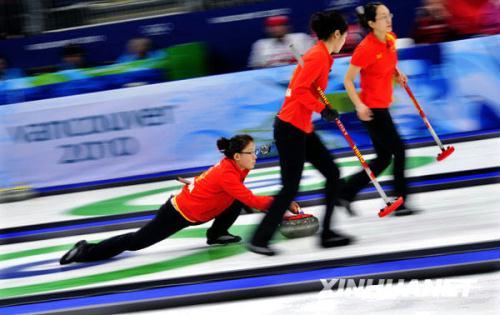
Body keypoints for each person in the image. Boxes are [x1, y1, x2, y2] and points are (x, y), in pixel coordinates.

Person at [60, 134, 299, 265]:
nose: (255, 155)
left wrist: (286, 139)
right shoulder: (228, 174)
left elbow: (263, 151)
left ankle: (217, 234)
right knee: (135, 242)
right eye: (251, 152)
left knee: (234, 200)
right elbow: (253, 200)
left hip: (202, 207)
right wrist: (282, 202)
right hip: (178, 214)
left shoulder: (239, 160)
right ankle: (85, 251)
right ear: (237, 156)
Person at [248, 10, 354, 256]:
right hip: (290, 129)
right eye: (344, 35)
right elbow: (298, 92)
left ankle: (327, 233)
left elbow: (309, 89)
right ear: (336, 34)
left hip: (302, 127)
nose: (345, 39)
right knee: (290, 187)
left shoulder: (324, 57)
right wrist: (322, 108)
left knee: (333, 174)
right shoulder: (317, 56)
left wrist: (320, 105)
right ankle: (259, 239)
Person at [339, 2, 417, 216]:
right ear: (372, 23)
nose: (388, 19)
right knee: (399, 150)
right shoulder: (365, 49)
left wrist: (397, 73)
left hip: (383, 104)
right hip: (372, 109)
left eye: (388, 15)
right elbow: (348, 81)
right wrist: (359, 105)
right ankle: (401, 201)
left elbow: (389, 62)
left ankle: (345, 193)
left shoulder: (390, 40)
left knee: (383, 158)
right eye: (382, 17)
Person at [248, 15, 314, 69]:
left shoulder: (301, 38)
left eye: (280, 25)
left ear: (287, 27)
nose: (277, 29)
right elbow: (256, 69)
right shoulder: (260, 45)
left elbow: (314, 61)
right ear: (267, 30)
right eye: (272, 26)